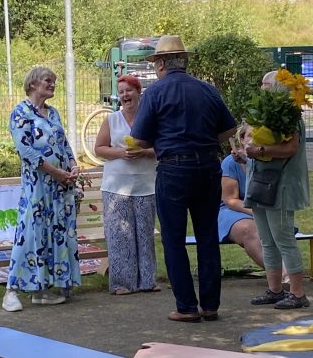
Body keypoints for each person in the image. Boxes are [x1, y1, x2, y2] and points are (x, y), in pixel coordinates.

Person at [130, 35, 237, 322]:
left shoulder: (155, 92)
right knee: (207, 235)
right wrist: (203, 141)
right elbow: (229, 130)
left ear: (162, 63)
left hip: (173, 169)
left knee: (174, 238)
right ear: (185, 61)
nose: (155, 68)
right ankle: (211, 305)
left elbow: (139, 139)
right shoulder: (208, 90)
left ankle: (187, 307)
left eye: (155, 63)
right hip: (208, 167)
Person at [2, 66, 81, 312]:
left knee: (56, 234)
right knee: (30, 233)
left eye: (54, 81)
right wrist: (56, 172)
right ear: (33, 84)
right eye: (48, 81)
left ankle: (43, 290)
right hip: (38, 188)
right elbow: (26, 151)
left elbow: (64, 144)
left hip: (59, 189)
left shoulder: (53, 113)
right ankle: (10, 292)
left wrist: (74, 166)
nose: (53, 85)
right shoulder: (20, 113)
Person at [245, 70, 310, 309]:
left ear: (278, 88)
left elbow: (290, 148)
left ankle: (298, 293)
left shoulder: (289, 116)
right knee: (266, 240)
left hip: (281, 186)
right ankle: (274, 289)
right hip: (262, 185)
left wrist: (261, 152)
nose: (262, 89)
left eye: (265, 85)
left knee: (283, 239)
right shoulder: (268, 115)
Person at [94, 74, 159, 295]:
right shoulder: (111, 120)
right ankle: (122, 283)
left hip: (146, 185)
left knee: (144, 233)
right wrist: (121, 152)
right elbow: (100, 148)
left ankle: (147, 281)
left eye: (128, 91)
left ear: (138, 93)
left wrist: (145, 152)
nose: (124, 95)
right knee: (120, 236)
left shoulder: (151, 119)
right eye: (121, 92)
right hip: (116, 187)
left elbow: (161, 149)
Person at [218, 122, 264, 268]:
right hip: (232, 210)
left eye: (258, 135)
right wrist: (256, 212)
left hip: (265, 210)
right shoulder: (231, 163)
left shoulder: (270, 162)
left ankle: (283, 277)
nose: (254, 140)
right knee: (249, 229)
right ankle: (282, 275)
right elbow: (230, 199)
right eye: (250, 135)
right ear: (242, 139)